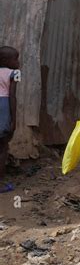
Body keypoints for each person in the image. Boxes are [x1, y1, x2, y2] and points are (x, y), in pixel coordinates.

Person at [0, 46, 19, 185]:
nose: (18, 62)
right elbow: (12, 96)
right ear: (5, 60)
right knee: (3, 147)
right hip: (4, 106)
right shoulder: (15, 73)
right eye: (16, 59)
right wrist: (14, 120)